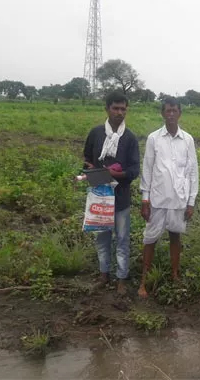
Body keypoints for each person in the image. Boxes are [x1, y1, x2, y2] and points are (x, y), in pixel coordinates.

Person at [138, 98, 198, 299]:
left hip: (179, 200)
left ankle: (174, 274)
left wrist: (191, 202)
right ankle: (143, 281)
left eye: (174, 111)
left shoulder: (187, 140)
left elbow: (192, 172)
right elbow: (147, 169)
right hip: (157, 198)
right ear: (163, 114)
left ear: (180, 113)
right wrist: (145, 199)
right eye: (168, 111)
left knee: (175, 237)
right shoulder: (154, 139)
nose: (171, 114)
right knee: (150, 239)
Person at [83, 90, 140, 295]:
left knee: (122, 239)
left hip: (121, 197)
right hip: (99, 194)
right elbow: (87, 159)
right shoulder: (96, 133)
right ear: (107, 109)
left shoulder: (130, 138)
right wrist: (93, 170)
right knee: (102, 237)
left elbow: (134, 170)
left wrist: (116, 174)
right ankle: (103, 274)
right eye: (115, 108)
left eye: (123, 109)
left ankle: (121, 278)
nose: (119, 112)